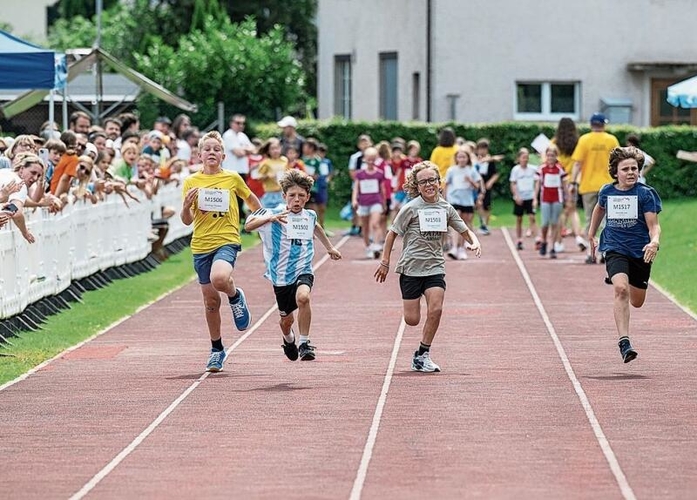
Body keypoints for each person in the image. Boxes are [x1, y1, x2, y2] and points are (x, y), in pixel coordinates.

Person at [374, 161, 482, 372]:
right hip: (411, 269)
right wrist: (385, 262)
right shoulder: (411, 208)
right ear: (417, 186)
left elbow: (465, 230)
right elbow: (392, 233)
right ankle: (418, 333)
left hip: (435, 268)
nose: (429, 185)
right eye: (423, 182)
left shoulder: (445, 208)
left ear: (439, 182)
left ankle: (423, 354)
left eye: (432, 180)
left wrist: (474, 241)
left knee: (436, 309)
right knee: (412, 320)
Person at [181, 131, 262, 372]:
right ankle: (217, 349)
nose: (212, 153)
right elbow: (186, 220)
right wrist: (186, 206)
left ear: (224, 155)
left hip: (226, 239)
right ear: (199, 155)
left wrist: (262, 222)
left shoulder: (232, 178)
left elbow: (252, 200)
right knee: (211, 302)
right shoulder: (191, 182)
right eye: (207, 149)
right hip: (201, 244)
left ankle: (235, 296)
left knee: (219, 279)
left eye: (216, 149)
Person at [244, 169, 342, 361]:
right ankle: (289, 339)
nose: (296, 200)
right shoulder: (272, 213)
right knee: (286, 320)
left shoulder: (310, 216)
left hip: (303, 269)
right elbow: (248, 226)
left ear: (307, 197)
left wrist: (330, 248)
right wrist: (269, 219)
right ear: (284, 196)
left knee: (303, 298)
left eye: (301, 196)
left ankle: (304, 343)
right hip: (280, 276)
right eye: (292, 195)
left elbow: (316, 227)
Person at [588, 146, 661, 363]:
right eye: (625, 169)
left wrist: (654, 241)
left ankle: (624, 276)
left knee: (637, 301)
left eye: (634, 168)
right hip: (614, 247)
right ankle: (624, 342)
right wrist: (591, 234)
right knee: (620, 290)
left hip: (639, 251)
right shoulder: (606, 192)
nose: (631, 172)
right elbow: (599, 209)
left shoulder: (645, 194)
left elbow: (654, 225)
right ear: (615, 172)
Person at [570, 112, 620, 263]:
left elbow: (577, 163)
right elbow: (619, 161)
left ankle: (590, 254)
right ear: (603, 124)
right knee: (608, 220)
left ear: (591, 125)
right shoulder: (611, 139)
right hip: (609, 185)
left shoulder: (584, 140)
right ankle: (604, 252)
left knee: (589, 220)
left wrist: (573, 182)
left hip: (588, 185)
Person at [551, 117, 585, 253]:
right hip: (574, 180)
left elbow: (549, 160)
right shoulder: (578, 142)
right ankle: (578, 236)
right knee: (572, 210)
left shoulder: (554, 143)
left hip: (558, 181)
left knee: (561, 212)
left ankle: (559, 241)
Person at [444, 147, 484, 260]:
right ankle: (454, 247)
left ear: (467, 158)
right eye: (459, 157)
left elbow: (477, 187)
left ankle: (461, 248)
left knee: (464, 224)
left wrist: (470, 181)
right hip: (454, 199)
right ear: (456, 158)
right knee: (456, 222)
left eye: (464, 157)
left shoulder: (471, 170)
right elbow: (446, 185)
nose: (461, 159)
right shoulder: (452, 170)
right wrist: (444, 199)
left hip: (467, 200)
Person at [536, 145, 567, 259]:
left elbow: (564, 185)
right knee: (545, 223)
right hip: (545, 198)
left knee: (554, 223)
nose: (550, 157)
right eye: (548, 155)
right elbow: (538, 184)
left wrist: (567, 197)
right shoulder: (542, 169)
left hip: (557, 199)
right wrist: (535, 198)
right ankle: (544, 240)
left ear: (556, 156)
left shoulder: (560, 169)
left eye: (552, 155)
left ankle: (552, 247)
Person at [509, 147, 539, 250]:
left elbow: (537, 182)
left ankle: (537, 239)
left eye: (527, 157)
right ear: (519, 158)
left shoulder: (533, 169)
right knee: (519, 218)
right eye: (523, 157)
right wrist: (516, 196)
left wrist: (535, 197)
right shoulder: (515, 170)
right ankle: (519, 239)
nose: (525, 159)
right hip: (520, 197)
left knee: (532, 217)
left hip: (530, 196)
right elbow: (513, 183)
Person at [475, 138, 502, 235]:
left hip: (487, 185)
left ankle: (486, 224)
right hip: (476, 185)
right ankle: (482, 223)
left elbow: (496, 174)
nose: (482, 151)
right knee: (478, 204)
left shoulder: (490, 161)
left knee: (487, 205)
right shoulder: (475, 160)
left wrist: (490, 182)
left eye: (484, 148)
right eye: (480, 148)